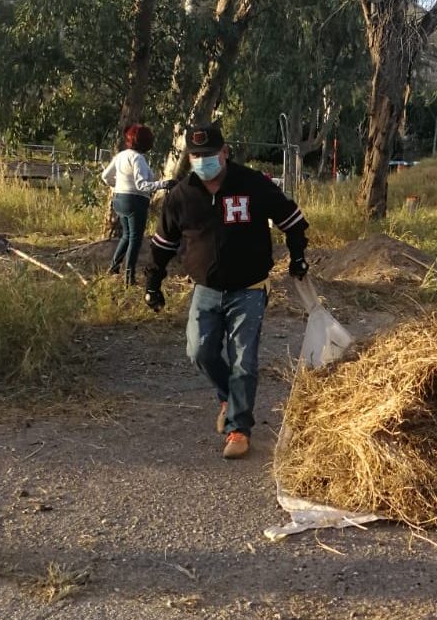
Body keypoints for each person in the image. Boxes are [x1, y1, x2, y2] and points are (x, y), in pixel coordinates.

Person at [143, 124, 310, 459]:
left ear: (225, 152)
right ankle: (227, 397)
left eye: (209, 154)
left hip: (248, 289)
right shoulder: (181, 196)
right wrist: (153, 282)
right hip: (205, 289)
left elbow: (291, 218)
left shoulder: (252, 184)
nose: (203, 160)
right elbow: (164, 243)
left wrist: (298, 257)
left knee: (244, 361)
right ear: (189, 157)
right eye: (196, 155)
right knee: (199, 351)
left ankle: (238, 429)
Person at [101, 124, 175, 285]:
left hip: (119, 200)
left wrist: (119, 186)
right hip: (135, 201)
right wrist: (164, 184)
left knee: (127, 235)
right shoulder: (138, 158)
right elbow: (142, 185)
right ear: (146, 142)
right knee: (135, 238)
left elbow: (105, 176)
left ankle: (114, 267)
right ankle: (129, 278)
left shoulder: (121, 156)